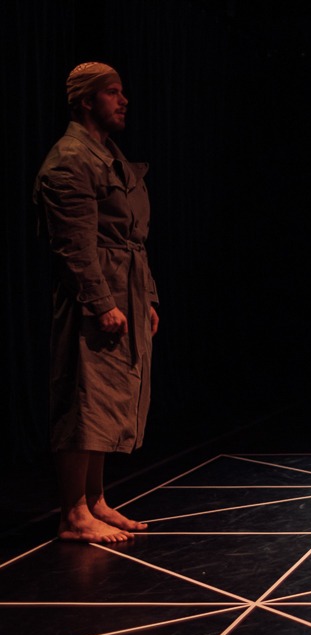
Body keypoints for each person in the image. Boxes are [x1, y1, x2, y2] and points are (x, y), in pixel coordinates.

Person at [33, 62, 159, 543]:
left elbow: (132, 238)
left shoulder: (108, 154)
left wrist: (146, 297)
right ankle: (73, 514)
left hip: (124, 288)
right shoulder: (70, 160)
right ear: (87, 100)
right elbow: (74, 246)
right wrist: (101, 302)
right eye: (113, 93)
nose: (123, 101)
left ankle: (95, 500)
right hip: (93, 295)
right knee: (83, 399)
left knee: (106, 399)